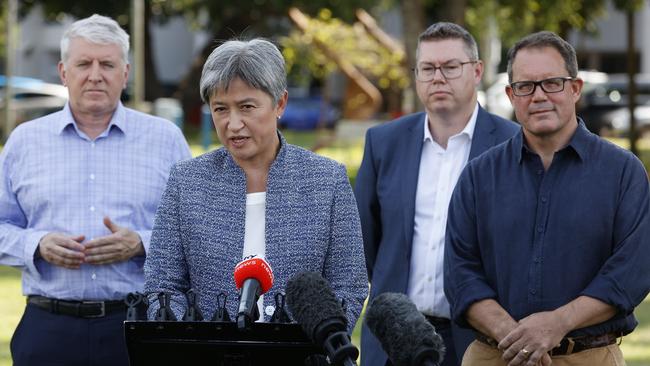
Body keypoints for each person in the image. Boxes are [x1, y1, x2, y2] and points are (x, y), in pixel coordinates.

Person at [444, 31, 650, 366]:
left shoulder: (622, 172)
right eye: (525, 86)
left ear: (575, 88)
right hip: (495, 355)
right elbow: (460, 274)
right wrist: (519, 337)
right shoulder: (479, 175)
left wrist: (557, 324)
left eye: (552, 82)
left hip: (589, 357)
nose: (538, 96)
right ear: (511, 95)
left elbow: (630, 274)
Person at [0, 14, 191, 366]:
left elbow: (194, 232)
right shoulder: (24, 142)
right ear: (63, 72)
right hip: (47, 328)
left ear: (125, 73)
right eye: (84, 63)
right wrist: (36, 245)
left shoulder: (165, 140)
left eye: (107, 63)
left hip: (138, 324)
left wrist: (141, 243)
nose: (95, 74)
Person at [143, 38, 368, 329]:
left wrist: (311, 343)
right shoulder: (186, 181)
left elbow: (348, 287)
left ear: (280, 103)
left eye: (246, 106)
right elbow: (163, 283)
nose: (233, 124)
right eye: (220, 109)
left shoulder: (328, 181)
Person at [354, 22, 519, 366]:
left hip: (476, 341)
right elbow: (365, 244)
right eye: (428, 68)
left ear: (476, 71)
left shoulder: (514, 145)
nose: (438, 77)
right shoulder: (384, 143)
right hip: (392, 337)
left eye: (450, 67)